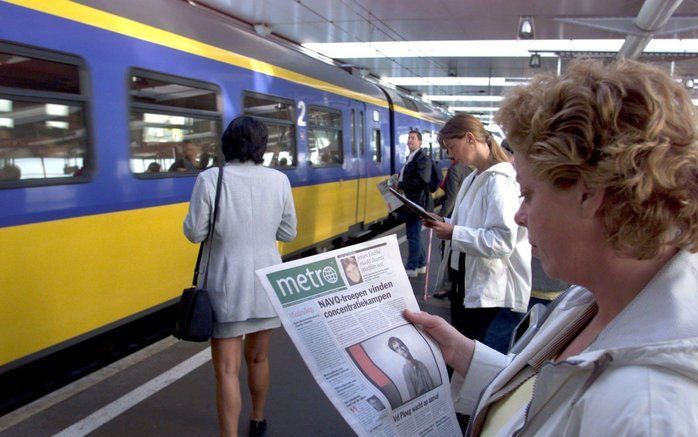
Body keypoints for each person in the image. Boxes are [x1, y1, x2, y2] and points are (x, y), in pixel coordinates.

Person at [406, 59, 698, 436]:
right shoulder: (596, 298)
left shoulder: (651, 413)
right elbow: (549, 398)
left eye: (528, 194)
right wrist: (463, 354)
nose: (519, 216)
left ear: (588, 195)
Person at [183, 116, 297, 437]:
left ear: (227, 143)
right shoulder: (279, 180)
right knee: (259, 358)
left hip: (225, 286)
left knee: (227, 371)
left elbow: (194, 233)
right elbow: (289, 231)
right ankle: (258, 419)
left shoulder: (211, 179)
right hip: (266, 284)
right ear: (262, 145)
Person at [424, 114, 531, 346]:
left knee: (473, 355)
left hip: (488, 292)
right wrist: (443, 220)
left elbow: (502, 240)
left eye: (452, 147)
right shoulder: (476, 177)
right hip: (468, 283)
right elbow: (473, 223)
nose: (451, 155)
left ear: (470, 138)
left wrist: (453, 232)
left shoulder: (500, 181)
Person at [433, 158, 472, 299]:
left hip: (452, 215)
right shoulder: (469, 169)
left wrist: (441, 217)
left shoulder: (455, 169)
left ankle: (449, 287)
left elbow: (451, 197)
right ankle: (451, 287)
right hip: (459, 217)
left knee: (448, 252)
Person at [396, 129, 433, 277]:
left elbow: (422, 179)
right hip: (410, 201)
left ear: (420, 142)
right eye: (409, 138)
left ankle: (411, 267)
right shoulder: (411, 157)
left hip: (415, 203)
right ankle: (421, 263)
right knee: (415, 233)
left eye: (413, 138)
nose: (410, 140)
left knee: (412, 235)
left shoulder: (422, 158)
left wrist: (402, 184)